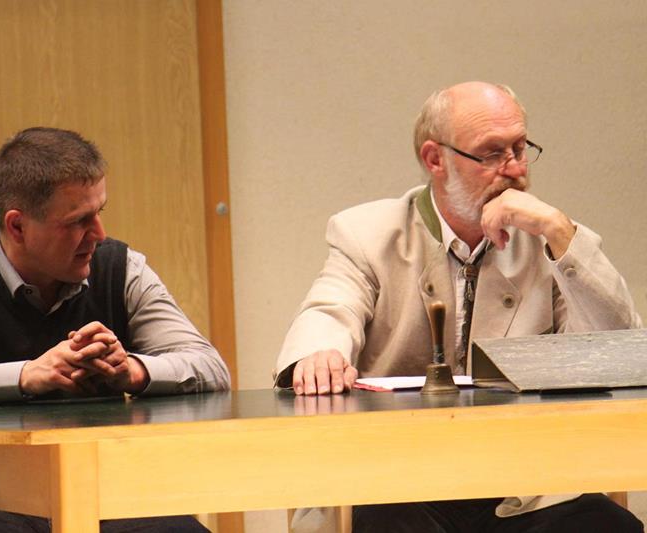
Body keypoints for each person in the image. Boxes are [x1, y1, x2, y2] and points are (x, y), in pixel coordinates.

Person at [274, 82, 643, 532]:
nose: (515, 170)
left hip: (522, 486)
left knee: (608, 525)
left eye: (520, 148)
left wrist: (558, 231)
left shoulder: (550, 241)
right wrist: (320, 354)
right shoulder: (367, 234)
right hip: (400, 480)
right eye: (492, 154)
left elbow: (619, 350)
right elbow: (330, 308)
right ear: (435, 159)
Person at [0, 127, 231, 533]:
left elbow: (211, 368)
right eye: (79, 221)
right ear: (18, 227)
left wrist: (133, 371)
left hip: (103, 500)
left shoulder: (123, 269)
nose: (99, 234)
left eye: (100, 212)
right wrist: (25, 376)